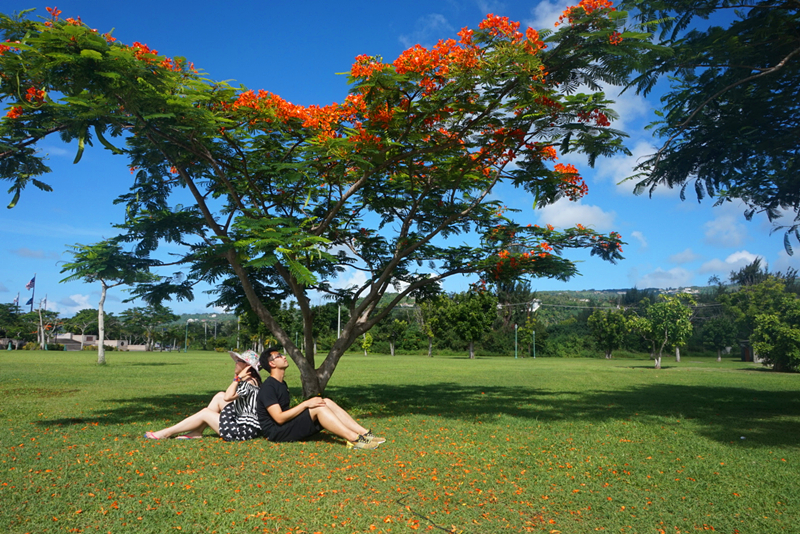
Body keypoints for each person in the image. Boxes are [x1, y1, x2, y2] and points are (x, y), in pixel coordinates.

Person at [256, 347, 385, 449]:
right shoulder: (268, 387)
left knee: (326, 402)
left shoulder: (281, 384)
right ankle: (354, 439)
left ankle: (365, 434)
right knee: (318, 409)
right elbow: (278, 418)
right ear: (272, 363)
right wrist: (306, 404)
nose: (284, 356)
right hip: (276, 433)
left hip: (284, 426)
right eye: (279, 356)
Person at [145, 351, 263, 441]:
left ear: (247, 366)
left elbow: (228, 397)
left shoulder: (248, 382)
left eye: (239, 361)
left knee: (206, 412)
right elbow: (226, 395)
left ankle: (166, 433)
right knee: (219, 396)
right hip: (246, 425)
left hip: (242, 431)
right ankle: (197, 432)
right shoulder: (251, 380)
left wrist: (237, 378)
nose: (236, 363)